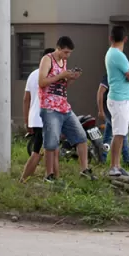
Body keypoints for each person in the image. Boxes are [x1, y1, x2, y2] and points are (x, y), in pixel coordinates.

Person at [38, 37, 94, 181]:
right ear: (58, 48)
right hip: (50, 107)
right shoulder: (47, 59)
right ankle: (49, 175)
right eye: (65, 52)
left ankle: (84, 169)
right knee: (51, 142)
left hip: (64, 106)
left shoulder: (64, 62)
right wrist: (61, 75)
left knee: (81, 137)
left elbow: (62, 86)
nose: (67, 55)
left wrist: (71, 78)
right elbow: (42, 82)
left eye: (69, 53)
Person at [100, 26, 129, 179]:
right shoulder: (118, 55)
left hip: (117, 98)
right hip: (119, 99)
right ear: (125, 39)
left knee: (120, 133)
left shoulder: (111, 53)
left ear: (110, 38)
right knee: (119, 134)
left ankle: (118, 165)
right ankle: (114, 166)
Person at [21, 48, 56, 182]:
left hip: (35, 118)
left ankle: (52, 177)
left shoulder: (32, 75)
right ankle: (24, 179)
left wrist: (26, 121)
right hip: (46, 119)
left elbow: (26, 99)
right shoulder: (52, 76)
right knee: (39, 152)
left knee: (49, 150)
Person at [96, 79, 129, 167]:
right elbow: (100, 92)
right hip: (112, 107)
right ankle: (126, 158)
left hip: (113, 107)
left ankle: (102, 157)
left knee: (108, 134)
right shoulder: (110, 76)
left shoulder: (119, 76)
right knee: (122, 132)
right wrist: (101, 110)